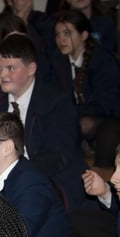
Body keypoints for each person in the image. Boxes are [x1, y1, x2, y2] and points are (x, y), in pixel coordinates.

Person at [0, 33, 88, 212]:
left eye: (11, 68)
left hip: (49, 177)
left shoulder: (56, 102)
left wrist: (14, 174)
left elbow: (57, 156)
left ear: (31, 69)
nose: (2, 74)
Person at [51, 10, 120, 145]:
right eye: (57, 35)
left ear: (84, 35)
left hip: (107, 115)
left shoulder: (102, 60)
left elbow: (105, 103)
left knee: (84, 123)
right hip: (73, 115)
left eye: (67, 33)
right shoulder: (57, 61)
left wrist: (71, 112)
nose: (61, 40)